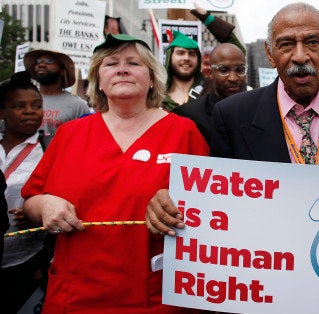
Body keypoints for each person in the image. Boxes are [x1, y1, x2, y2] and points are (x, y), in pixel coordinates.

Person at [146, 3, 319, 310]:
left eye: (312, 42)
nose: (300, 56)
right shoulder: (232, 116)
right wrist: (174, 204)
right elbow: (217, 210)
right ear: (270, 54)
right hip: (264, 294)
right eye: (287, 44)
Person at [21, 34, 208, 313]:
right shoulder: (70, 134)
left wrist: (182, 205)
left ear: (152, 77)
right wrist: (45, 204)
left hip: (156, 298)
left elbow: (214, 211)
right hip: (75, 297)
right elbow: (31, 202)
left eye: (133, 63)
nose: (122, 69)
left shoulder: (184, 132)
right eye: (111, 63)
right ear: (99, 78)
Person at [0, 71, 46, 312]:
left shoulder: (49, 150)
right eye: (19, 106)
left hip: (26, 258)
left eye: (36, 106)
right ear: (2, 112)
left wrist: (35, 210)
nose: (30, 111)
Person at [174, 43, 247, 146]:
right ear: (210, 73)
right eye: (223, 70)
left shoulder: (259, 112)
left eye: (239, 70)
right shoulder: (187, 116)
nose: (233, 78)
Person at [23, 49, 91, 146]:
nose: (41, 64)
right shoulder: (23, 100)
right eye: (38, 61)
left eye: (49, 61)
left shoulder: (78, 105)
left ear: (62, 71)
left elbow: (83, 142)